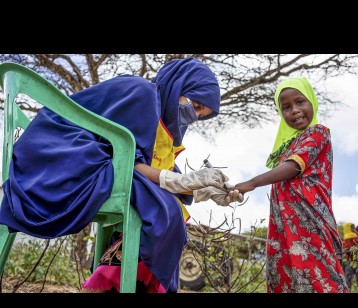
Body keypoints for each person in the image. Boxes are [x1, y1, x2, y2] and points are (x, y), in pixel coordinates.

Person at [0, 58, 241, 293]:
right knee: (159, 203)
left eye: (200, 115)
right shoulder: (143, 93)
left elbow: (142, 165)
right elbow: (127, 161)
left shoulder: (156, 120)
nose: (194, 116)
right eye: (196, 106)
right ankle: (116, 284)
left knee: (162, 200)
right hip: (57, 156)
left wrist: (201, 189)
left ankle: (115, 281)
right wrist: (177, 182)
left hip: (73, 157)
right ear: (178, 86)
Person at [232, 77, 348, 293]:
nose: (295, 110)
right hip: (283, 226)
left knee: (320, 280)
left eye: (300, 102)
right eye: (286, 107)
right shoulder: (287, 149)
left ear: (312, 101)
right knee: (286, 282)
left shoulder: (318, 133)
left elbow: (294, 166)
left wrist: (253, 182)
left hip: (311, 223)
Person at [342, 223, 358, 290]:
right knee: (347, 279)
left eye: (354, 228)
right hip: (348, 261)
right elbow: (344, 250)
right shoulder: (345, 241)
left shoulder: (355, 237)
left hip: (355, 260)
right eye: (352, 228)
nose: (353, 229)